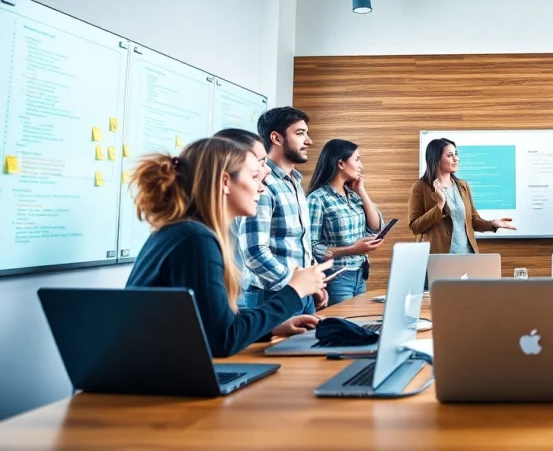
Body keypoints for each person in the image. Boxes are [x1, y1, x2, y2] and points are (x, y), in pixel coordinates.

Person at [125, 137, 331, 358]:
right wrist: (294, 290)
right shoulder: (195, 239)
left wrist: (270, 328)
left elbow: (210, 321)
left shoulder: (185, 231)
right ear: (225, 182)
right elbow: (222, 340)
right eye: (254, 177)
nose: (261, 188)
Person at [238, 107, 324, 314]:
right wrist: (295, 284)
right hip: (272, 294)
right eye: (300, 133)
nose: (309, 141)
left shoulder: (294, 182)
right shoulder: (263, 184)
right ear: (276, 138)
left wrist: (313, 283)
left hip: (298, 292)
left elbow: (298, 242)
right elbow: (254, 251)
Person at [306, 139, 385, 305]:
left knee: (356, 326)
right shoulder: (317, 199)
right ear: (340, 163)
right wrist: (351, 250)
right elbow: (311, 246)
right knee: (342, 327)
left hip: (359, 274)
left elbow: (375, 226)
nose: (360, 165)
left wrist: (361, 190)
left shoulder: (354, 195)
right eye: (357, 159)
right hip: (336, 277)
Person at [408, 138, 516, 254]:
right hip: (439, 258)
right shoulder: (420, 187)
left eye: (456, 154)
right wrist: (439, 205)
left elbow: (473, 220)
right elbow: (415, 227)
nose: (456, 159)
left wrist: (492, 224)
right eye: (450, 155)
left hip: (467, 255)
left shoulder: (462, 186)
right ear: (436, 159)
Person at [213, 128, 271, 309]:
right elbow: (222, 331)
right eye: (259, 165)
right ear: (226, 181)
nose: (267, 170)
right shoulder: (199, 237)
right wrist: (295, 289)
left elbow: (223, 323)